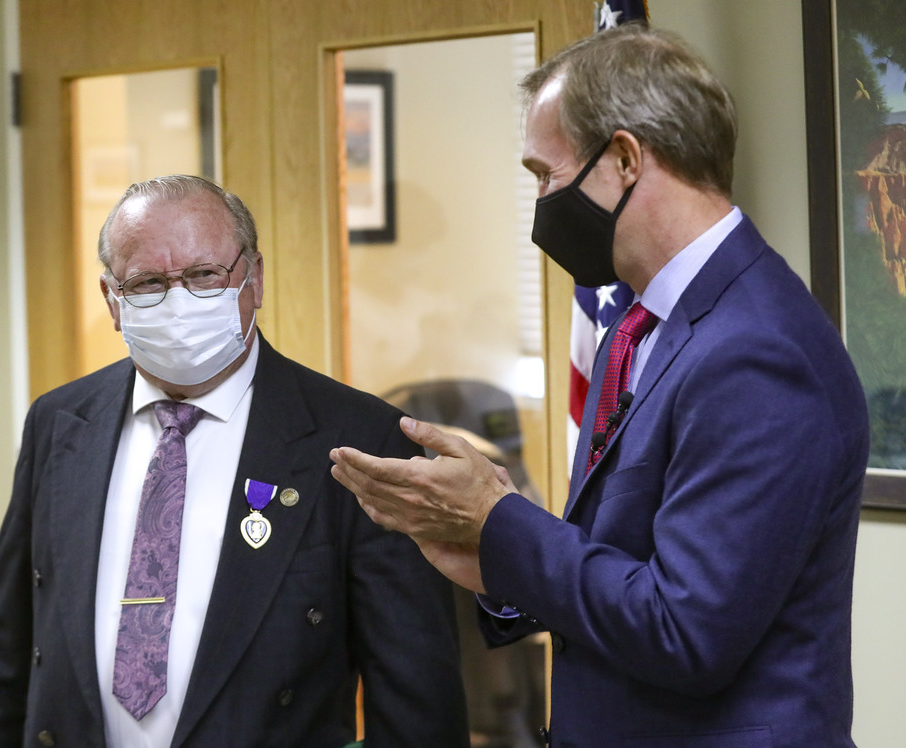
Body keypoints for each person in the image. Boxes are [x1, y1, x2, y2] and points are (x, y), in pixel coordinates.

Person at [330, 24, 868, 747]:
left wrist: (501, 522)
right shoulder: (638, 325)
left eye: (544, 174)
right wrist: (491, 557)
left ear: (622, 158)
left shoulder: (757, 351)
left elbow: (685, 633)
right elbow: (619, 563)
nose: (543, 203)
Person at [0, 175, 469, 748]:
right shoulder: (59, 423)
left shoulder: (359, 439)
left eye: (203, 275)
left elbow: (417, 703)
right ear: (111, 300)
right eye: (146, 283)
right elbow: (0, 655)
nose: (178, 301)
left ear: (255, 278)